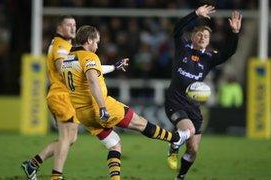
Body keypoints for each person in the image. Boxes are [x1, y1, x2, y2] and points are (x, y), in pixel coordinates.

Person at [61, 25, 188, 180]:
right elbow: (92, 80)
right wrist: (102, 107)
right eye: (96, 42)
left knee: (114, 144)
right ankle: (175, 139)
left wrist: (114, 67)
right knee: (140, 123)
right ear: (89, 40)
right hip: (99, 106)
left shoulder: (67, 59)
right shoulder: (89, 56)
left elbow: (93, 69)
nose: (97, 46)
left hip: (83, 114)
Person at [21, 16, 128, 180]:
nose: (72, 27)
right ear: (59, 27)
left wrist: (113, 67)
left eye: (74, 25)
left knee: (70, 138)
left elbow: (86, 69)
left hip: (64, 96)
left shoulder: (64, 46)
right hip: (61, 95)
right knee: (66, 137)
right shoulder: (61, 46)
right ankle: (56, 176)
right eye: (68, 24)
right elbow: (68, 70)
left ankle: (33, 164)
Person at [164, 5, 242, 179]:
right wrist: (196, 14)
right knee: (189, 129)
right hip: (174, 102)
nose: (202, 37)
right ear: (192, 36)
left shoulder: (209, 58)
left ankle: (180, 177)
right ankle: (173, 146)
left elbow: (228, 53)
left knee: (193, 151)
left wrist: (235, 33)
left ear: (209, 40)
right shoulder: (183, 48)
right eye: (199, 34)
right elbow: (177, 29)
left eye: (206, 36)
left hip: (193, 106)